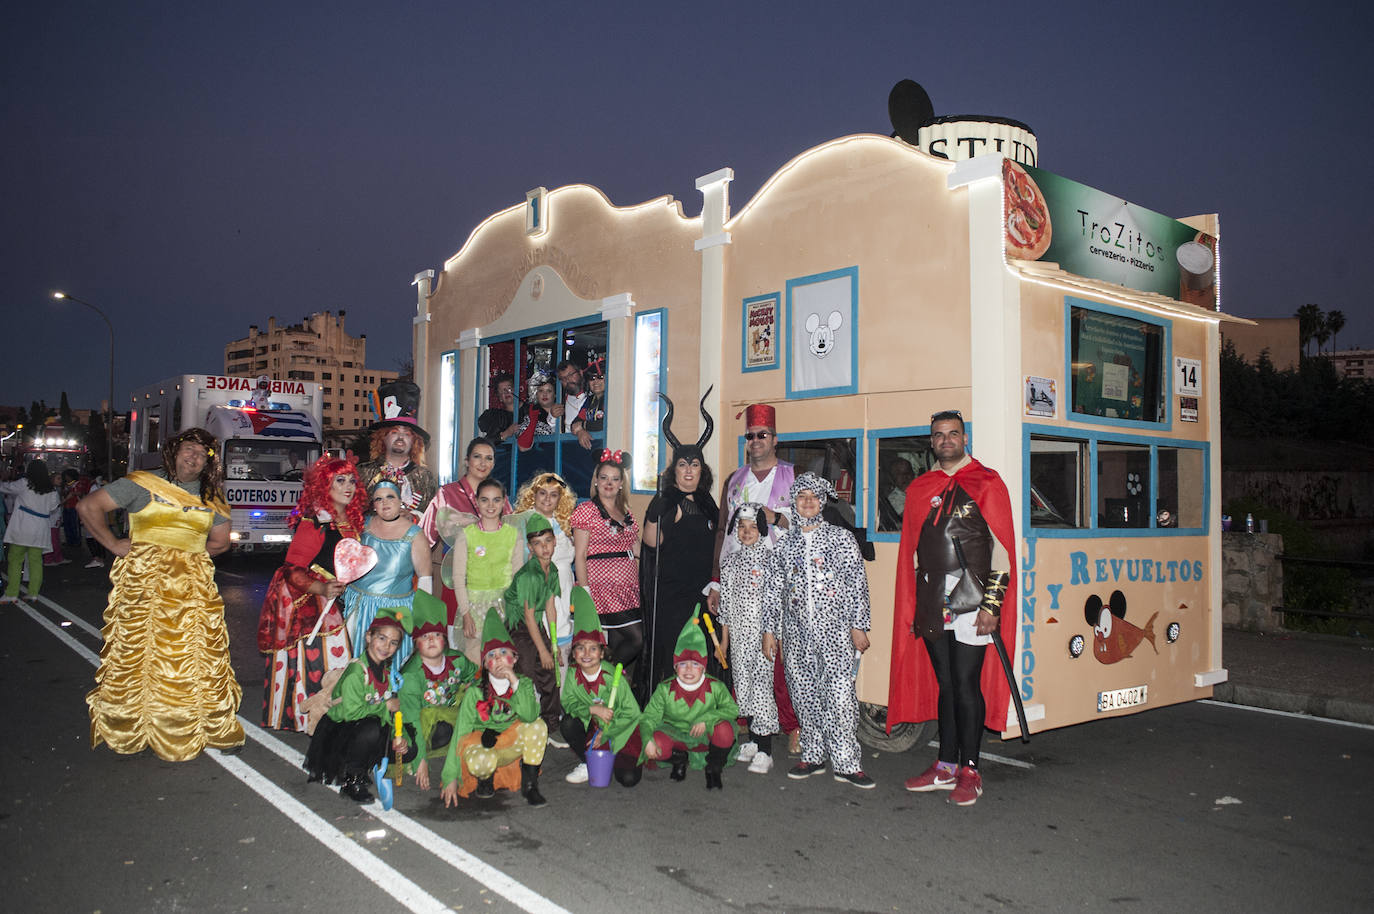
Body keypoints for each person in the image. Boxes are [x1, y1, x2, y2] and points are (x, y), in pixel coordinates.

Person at [80, 428, 246, 760]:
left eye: (202, 454)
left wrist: (186, 556)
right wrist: (113, 544)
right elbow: (88, 507)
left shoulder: (211, 496)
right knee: (138, 657)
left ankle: (202, 726)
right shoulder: (142, 483)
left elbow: (221, 542)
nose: (194, 457)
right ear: (173, 452)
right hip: (144, 592)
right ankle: (132, 727)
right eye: (189, 449)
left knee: (196, 661)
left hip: (192, 592)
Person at [889, 409, 1016, 808]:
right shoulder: (920, 488)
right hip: (931, 598)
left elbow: (1003, 553)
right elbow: (912, 552)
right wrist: (914, 604)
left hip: (972, 598)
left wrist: (991, 606)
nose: (946, 440)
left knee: (965, 683)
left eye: (953, 434)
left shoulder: (987, 483)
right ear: (931, 443)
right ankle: (945, 764)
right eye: (939, 435)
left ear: (965, 438)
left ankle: (971, 769)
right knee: (945, 683)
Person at [762, 473, 874, 789]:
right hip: (796, 635)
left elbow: (857, 584)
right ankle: (813, 755)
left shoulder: (840, 538)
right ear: (794, 503)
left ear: (821, 502)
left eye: (813, 497)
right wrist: (769, 631)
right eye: (802, 497)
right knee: (804, 695)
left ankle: (848, 763)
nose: (808, 502)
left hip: (836, 634)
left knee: (839, 696)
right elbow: (773, 591)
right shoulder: (784, 545)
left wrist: (858, 625)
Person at [714, 402, 800, 754]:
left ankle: (793, 724)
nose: (756, 441)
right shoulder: (734, 481)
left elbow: (811, 527)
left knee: (783, 659)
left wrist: (776, 518)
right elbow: (722, 532)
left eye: (762, 435)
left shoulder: (793, 477)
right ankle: (753, 726)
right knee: (746, 656)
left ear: (775, 439)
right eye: (750, 436)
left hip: (784, 578)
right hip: (740, 581)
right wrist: (717, 582)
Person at [257, 456, 364, 731]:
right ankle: (311, 718)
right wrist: (322, 588)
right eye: (340, 480)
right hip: (311, 601)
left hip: (338, 599)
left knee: (335, 659)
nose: (348, 486)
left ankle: (331, 717)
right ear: (323, 486)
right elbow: (292, 570)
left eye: (352, 480)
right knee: (324, 660)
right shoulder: (316, 520)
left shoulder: (350, 519)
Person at [640, 391, 719, 697]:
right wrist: (652, 513)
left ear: (702, 470)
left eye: (695, 465)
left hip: (703, 593)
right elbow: (651, 542)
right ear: (675, 471)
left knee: (701, 655)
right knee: (677, 654)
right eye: (683, 465)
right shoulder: (669, 501)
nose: (689, 470)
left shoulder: (708, 502)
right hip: (673, 596)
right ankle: (670, 710)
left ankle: (699, 710)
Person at [440, 608, 549, 807]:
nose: (498, 658)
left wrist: (514, 681)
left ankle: (530, 785)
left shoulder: (523, 683)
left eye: (504, 652)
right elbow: (461, 731)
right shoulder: (475, 692)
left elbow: (530, 715)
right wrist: (450, 777)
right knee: (481, 759)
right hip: (484, 744)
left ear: (515, 658)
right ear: (485, 664)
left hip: (510, 742)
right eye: (491, 654)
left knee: (538, 726)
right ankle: (485, 778)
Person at [304, 606, 411, 802]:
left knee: (409, 748)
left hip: (363, 722)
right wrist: (384, 706)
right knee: (371, 728)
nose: (386, 646)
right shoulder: (356, 672)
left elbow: (390, 712)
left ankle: (369, 761)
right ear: (368, 637)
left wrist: (399, 736)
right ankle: (352, 778)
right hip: (341, 729)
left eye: (393, 642)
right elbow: (351, 713)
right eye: (382, 638)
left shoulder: (386, 674)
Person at [421, 437, 512, 642]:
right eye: (477, 457)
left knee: (491, 640)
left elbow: (511, 538)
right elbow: (424, 538)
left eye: (488, 458)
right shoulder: (446, 494)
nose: (482, 463)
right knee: (457, 640)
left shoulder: (500, 497)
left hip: (493, 580)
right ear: (466, 460)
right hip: (456, 576)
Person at [639, 608, 739, 789]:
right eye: (683, 664)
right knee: (657, 743)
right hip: (676, 734)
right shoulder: (665, 689)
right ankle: (678, 758)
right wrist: (647, 739)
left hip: (705, 735)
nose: (689, 670)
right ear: (676, 667)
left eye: (695, 664)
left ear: (703, 667)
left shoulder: (715, 686)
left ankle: (714, 766)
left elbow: (732, 710)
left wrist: (707, 719)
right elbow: (649, 718)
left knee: (725, 730)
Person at [716, 503, 779, 774]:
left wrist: (769, 634)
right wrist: (725, 640)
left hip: (762, 637)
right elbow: (726, 605)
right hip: (738, 637)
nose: (747, 531)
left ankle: (766, 749)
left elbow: (774, 602)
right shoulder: (730, 562)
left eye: (753, 526)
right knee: (743, 686)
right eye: (742, 527)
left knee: (761, 687)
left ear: (762, 529)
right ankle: (754, 740)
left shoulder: (770, 560)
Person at [560, 587, 643, 786]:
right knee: (568, 723)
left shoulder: (613, 678)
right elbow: (569, 702)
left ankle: (611, 755)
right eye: (580, 647)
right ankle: (589, 761)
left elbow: (632, 714)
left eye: (593, 648)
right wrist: (591, 709)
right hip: (593, 724)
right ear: (573, 653)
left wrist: (608, 735)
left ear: (602, 653)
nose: (586, 653)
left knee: (628, 779)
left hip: (620, 730)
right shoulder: (573, 673)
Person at [343, 478, 430, 669]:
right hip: (359, 609)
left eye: (390, 497)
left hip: (395, 613)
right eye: (378, 499)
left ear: (400, 501)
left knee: (390, 670)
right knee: (354, 667)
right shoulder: (362, 526)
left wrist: (422, 622)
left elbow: (425, 580)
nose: (385, 503)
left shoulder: (415, 535)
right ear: (373, 505)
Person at [396, 590, 477, 791]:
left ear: (445, 639)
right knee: (432, 727)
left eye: (437, 635)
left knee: (470, 712)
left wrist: (470, 688)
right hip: (417, 725)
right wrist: (419, 760)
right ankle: (421, 753)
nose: (431, 640)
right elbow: (411, 719)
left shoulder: (456, 659)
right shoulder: (411, 675)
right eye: (425, 636)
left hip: (447, 716)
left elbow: (474, 675)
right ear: (416, 642)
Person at [436, 478, 522, 663]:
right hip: (475, 608)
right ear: (477, 501)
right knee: (475, 659)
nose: (490, 505)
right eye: (485, 500)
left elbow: (517, 576)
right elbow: (458, 577)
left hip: (504, 607)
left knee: (503, 660)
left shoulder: (514, 534)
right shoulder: (466, 535)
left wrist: (515, 612)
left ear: (504, 501)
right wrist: (466, 614)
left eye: (496, 500)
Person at [571, 451, 642, 669]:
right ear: (596, 480)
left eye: (614, 478)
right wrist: (585, 592)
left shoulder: (625, 512)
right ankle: (603, 675)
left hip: (627, 590)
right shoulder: (586, 511)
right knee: (636, 639)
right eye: (603, 477)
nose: (608, 483)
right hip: (602, 589)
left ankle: (611, 691)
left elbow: (637, 548)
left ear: (622, 483)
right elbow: (580, 555)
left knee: (619, 644)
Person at [502, 513, 563, 739]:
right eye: (537, 544)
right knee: (526, 671)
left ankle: (551, 723)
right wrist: (542, 650)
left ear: (555, 540)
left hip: (537, 625)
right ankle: (522, 720)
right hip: (518, 626)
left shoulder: (553, 570)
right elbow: (528, 617)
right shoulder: (530, 575)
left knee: (550, 670)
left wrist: (553, 647)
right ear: (530, 547)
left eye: (547, 541)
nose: (544, 548)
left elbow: (550, 609)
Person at [510, 472, 577, 664]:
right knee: (541, 637)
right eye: (542, 493)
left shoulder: (565, 523)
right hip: (539, 589)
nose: (547, 499)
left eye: (553, 494)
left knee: (563, 632)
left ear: (560, 498)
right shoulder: (524, 523)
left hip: (564, 587)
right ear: (534, 495)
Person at [354, 379, 438, 521]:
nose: (400, 437)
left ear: (414, 441)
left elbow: (433, 521)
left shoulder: (426, 478)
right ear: (383, 437)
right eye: (394, 432)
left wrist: (413, 517)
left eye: (407, 433)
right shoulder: (362, 473)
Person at [1, 461, 61, 602]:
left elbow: (6, 488)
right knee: (35, 562)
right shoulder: (51, 489)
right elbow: (53, 507)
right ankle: (33, 593)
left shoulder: (24, 483)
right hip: (40, 529)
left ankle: (11, 593)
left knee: (15, 560)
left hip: (22, 526)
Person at [515, 373, 559, 450]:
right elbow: (522, 447)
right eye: (541, 391)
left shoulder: (563, 412)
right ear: (536, 394)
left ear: (555, 394)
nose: (545, 394)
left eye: (549, 391)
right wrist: (533, 420)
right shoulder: (530, 417)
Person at [878, 457, 916, 532]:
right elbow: (912, 518)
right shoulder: (894, 498)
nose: (905, 476)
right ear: (892, 478)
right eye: (899, 474)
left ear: (913, 474)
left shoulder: (923, 491)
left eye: (907, 472)